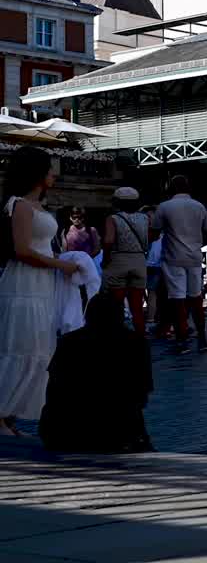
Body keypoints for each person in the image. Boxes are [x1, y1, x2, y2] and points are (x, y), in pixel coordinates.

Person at [0, 147, 80, 436]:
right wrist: (59, 264)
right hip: (24, 283)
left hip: (40, 284)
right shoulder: (19, 205)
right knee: (19, 346)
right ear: (36, 172)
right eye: (49, 169)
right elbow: (21, 250)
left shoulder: (36, 206)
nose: (53, 174)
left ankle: (9, 416)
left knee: (35, 347)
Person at [38, 293, 154, 453]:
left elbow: (54, 389)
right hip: (118, 434)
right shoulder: (136, 343)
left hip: (66, 433)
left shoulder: (68, 342)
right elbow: (142, 392)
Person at [151, 175, 207, 354]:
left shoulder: (164, 207)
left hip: (173, 257)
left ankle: (182, 338)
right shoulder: (199, 206)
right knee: (196, 298)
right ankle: (202, 338)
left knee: (177, 300)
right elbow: (205, 230)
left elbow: (155, 231)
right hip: (194, 257)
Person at [101, 187, 150, 335]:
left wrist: (106, 259)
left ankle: (118, 338)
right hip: (139, 260)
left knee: (116, 305)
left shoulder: (113, 218)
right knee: (137, 307)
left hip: (119, 260)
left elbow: (109, 240)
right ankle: (141, 339)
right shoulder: (145, 218)